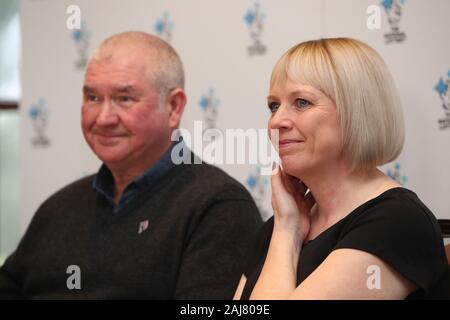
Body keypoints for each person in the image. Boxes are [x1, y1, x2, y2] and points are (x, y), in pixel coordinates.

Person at [0, 31, 262, 299]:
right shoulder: (58, 209)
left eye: (124, 99)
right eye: (92, 98)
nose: (103, 118)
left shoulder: (218, 207)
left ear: (173, 107)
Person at [234, 38, 450, 300]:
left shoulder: (398, 223)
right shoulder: (279, 224)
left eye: (301, 102)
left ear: (357, 111)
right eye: (274, 106)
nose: (276, 121)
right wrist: (286, 229)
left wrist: (287, 232)